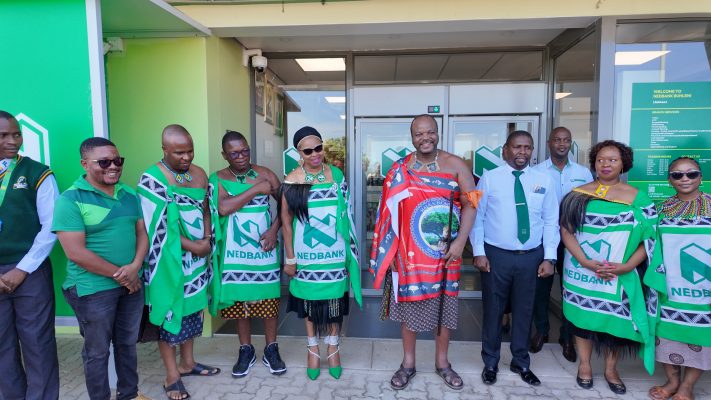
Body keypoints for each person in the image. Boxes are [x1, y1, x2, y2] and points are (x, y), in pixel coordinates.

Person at [370, 114, 479, 391]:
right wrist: (390, 252)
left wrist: (460, 243)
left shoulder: (457, 165)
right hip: (408, 255)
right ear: (412, 138)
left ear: (438, 133)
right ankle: (408, 363)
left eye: (430, 132)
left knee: (444, 310)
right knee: (410, 309)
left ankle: (442, 363)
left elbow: (472, 204)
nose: (425, 138)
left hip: (446, 254)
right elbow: (387, 213)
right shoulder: (399, 168)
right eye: (419, 134)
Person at [559, 140, 660, 394]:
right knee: (582, 318)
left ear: (623, 164)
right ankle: (584, 365)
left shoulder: (639, 198)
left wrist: (627, 266)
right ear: (593, 163)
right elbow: (566, 230)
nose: (605, 164)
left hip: (620, 275)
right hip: (582, 271)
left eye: (612, 160)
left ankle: (611, 369)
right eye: (600, 160)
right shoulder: (578, 194)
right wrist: (584, 261)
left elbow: (650, 239)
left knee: (616, 322)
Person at [54, 137, 149, 400]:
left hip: (131, 285)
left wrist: (135, 266)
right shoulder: (70, 200)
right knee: (97, 353)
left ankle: (129, 394)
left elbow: (141, 234)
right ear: (85, 164)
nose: (114, 166)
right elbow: (76, 253)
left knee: (127, 344)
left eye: (117, 160)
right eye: (104, 162)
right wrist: (124, 275)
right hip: (92, 289)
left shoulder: (129, 194)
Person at [137, 125, 220, 400]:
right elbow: (157, 229)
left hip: (198, 259)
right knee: (171, 313)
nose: (186, 157)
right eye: (179, 153)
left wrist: (206, 239)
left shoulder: (199, 174)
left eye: (190, 151)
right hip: (168, 262)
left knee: (193, 310)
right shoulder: (152, 179)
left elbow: (206, 210)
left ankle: (188, 363)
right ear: (164, 150)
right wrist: (194, 246)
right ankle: (172, 376)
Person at [471, 130, 558, 387]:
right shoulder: (488, 179)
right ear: (505, 150)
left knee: (524, 310)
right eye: (517, 147)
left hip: (532, 257)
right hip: (496, 256)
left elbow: (551, 221)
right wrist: (478, 252)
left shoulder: (544, 180)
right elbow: (477, 217)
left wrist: (550, 257)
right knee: (494, 311)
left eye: (527, 147)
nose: (522, 152)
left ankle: (521, 361)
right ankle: (490, 361)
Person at [280, 126, 362, 381]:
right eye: (308, 151)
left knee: (335, 301)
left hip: (335, 252)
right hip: (306, 254)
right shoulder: (292, 179)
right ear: (299, 153)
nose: (315, 154)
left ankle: (333, 347)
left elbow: (347, 214)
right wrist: (290, 258)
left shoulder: (336, 174)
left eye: (318, 148)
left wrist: (350, 252)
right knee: (309, 302)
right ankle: (313, 348)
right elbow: (286, 222)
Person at [209, 130, 285, 377]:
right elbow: (223, 208)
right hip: (234, 253)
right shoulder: (218, 178)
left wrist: (274, 230)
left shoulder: (266, 174)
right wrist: (256, 189)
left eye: (245, 151)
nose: (241, 156)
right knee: (239, 302)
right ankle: (246, 349)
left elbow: (286, 205)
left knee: (269, 300)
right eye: (234, 153)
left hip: (264, 250)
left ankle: (271, 349)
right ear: (224, 155)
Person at [0, 110, 60, 400]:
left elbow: (51, 227)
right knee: (2, 346)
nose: (13, 141)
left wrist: (22, 269)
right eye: (3, 136)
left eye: (17, 134)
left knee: (38, 344)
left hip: (30, 273)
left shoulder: (38, 172)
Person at [646, 157, 709, 400]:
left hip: (704, 288)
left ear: (700, 177)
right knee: (666, 334)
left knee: (702, 335)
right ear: (669, 180)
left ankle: (687, 386)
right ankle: (672, 381)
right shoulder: (660, 210)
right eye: (677, 175)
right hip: (668, 286)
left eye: (691, 174)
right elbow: (648, 244)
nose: (685, 179)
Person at [530, 126, 593, 361]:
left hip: (573, 238)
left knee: (570, 288)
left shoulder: (583, 173)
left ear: (571, 143)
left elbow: (589, 205)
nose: (562, 144)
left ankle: (567, 337)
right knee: (541, 288)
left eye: (566, 140)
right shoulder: (536, 172)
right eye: (557, 140)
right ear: (549, 143)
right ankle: (542, 331)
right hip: (543, 238)